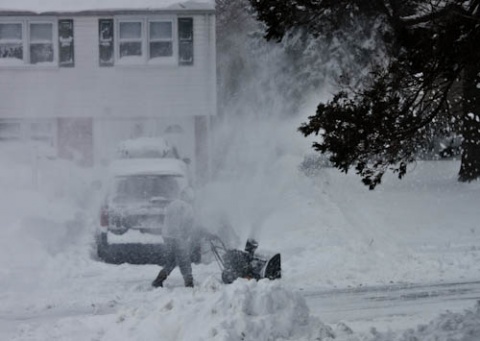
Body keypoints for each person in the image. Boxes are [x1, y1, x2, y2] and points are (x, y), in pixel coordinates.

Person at [152, 199, 196, 288]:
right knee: (184, 259)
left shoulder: (173, 203)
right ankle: (189, 283)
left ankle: (158, 280)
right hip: (176, 236)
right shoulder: (188, 208)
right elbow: (188, 225)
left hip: (167, 235)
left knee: (171, 260)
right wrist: (186, 234)